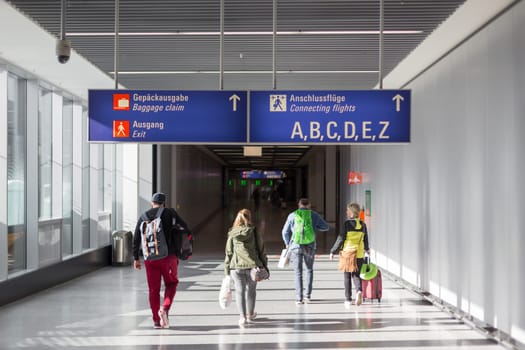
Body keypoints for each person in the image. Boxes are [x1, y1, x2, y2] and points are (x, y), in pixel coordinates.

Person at [132, 192, 190, 329]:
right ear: (164, 203)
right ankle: (164, 309)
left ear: (152, 202)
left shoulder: (143, 216)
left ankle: (156, 321)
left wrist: (136, 258)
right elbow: (185, 227)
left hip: (150, 258)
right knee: (171, 283)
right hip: (168, 257)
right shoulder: (170, 213)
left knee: (153, 290)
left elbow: (136, 238)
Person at [224, 209, 267, 326]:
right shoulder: (253, 231)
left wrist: (227, 270)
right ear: (249, 217)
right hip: (253, 266)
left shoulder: (232, 233)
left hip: (236, 267)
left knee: (240, 291)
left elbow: (229, 252)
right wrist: (264, 265)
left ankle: (242, 317)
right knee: (251, 291)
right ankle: (250, 314)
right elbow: (261, 249)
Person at [282, 198, 329, 304]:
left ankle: (299, 298)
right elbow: (326, 227)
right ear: (309, 205)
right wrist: (315, 229)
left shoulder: (292, 215)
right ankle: (307, 296)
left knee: (298, 272)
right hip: (310, 246)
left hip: (296, 246)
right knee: (309, 270)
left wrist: (287, 242)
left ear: (299, 205)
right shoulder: (314, 215)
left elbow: (285, 232)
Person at [329, 202, 370, 308]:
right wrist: (367, 249)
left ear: (351, 212)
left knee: (347, 276)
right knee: (356, 275)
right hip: (359, 253)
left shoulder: (346, 224)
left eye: (348, 210)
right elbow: (365, 238)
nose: (346, 212)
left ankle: (348, 299)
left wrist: (333, 251)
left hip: (348, 252)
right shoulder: (363, 225)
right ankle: (359, 291)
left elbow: (341, 238)